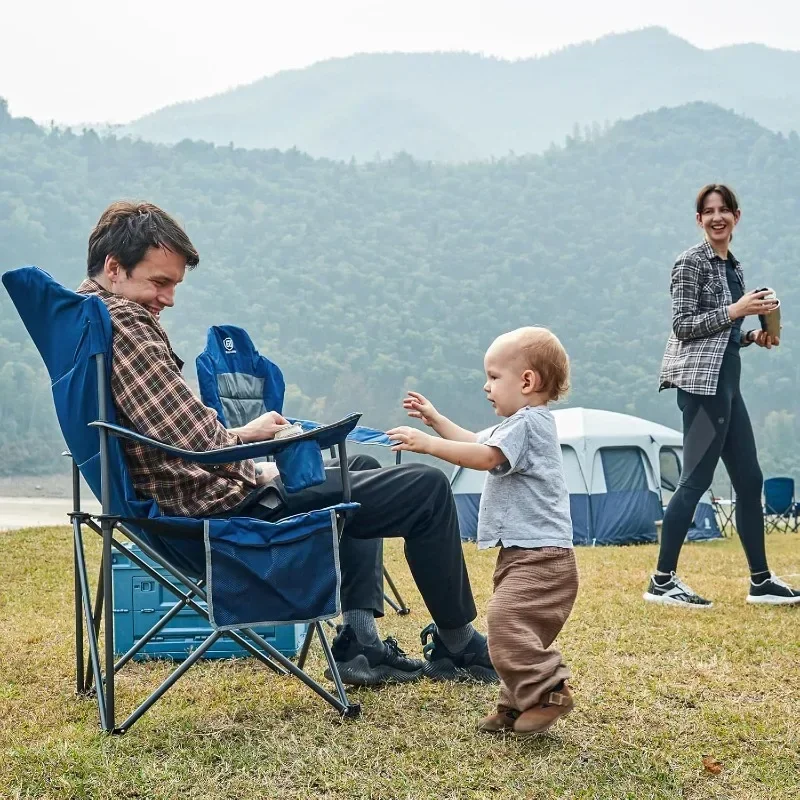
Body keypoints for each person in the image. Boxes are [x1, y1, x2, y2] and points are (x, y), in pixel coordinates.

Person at [77, 200, 498, 685]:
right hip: (220, 514)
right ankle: (457, 645)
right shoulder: (127, 329)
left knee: (358, 462)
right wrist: (262, 462)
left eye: (173, 284)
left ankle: (360, 642)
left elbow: (173, 433)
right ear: (114, 268)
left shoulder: (88, 320)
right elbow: (202, 445)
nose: (168, 298)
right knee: (424, 488)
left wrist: (246, 437)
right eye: (159, 282)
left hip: (182, 503)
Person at [387, 327, 578, 736]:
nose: (485, 386)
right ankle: (515, 707)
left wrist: (427, 445)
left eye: (494, 377)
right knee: (513, 635)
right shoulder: (519, 425)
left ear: (527, 381)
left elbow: (483, 456)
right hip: (525, 554)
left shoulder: (527, 425)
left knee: (505, 623)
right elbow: (475, 441)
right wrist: (436, 421)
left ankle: (551, 690)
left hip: (542, 559)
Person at [648, 184, 800, 608]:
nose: (717, 217)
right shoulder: (689, 262)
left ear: (737, 216)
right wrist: (737, 311)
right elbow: (682, 325)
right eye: (708, 211)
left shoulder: (733, 267)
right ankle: (661, 581)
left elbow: (725, 335)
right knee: (695, 479)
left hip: (728, 383)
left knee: (750, 480)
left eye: (724, 210)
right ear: (699, 220)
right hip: (702, 387)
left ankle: (761, 581)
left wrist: (753, 334)